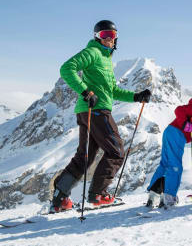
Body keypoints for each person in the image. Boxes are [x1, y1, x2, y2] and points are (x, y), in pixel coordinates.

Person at [50, 20, 152, 213]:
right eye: (104, 35)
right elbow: (67, 68)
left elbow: (112, 90)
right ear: (97, 37)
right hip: (96, 111)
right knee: (116, 151)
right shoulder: (93, 53)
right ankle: (98, 194)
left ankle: (60, 198)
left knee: (85, 157)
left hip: (88, 111)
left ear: (116, 39)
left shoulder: (106, 60)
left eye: (112, 35)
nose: (108, 39)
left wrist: (136, 96)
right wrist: (86, 92)